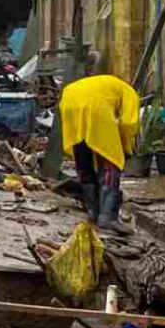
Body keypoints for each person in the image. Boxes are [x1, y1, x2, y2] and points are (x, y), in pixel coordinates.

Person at [59, 74, 140, 235]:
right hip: (94, 107)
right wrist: (125, 147)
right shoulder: (129, 91)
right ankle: (107, 218)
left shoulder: (104, 84)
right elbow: (129, 123)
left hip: (68, 102)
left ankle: (93, 212)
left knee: (84, 161)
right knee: (111, 162)